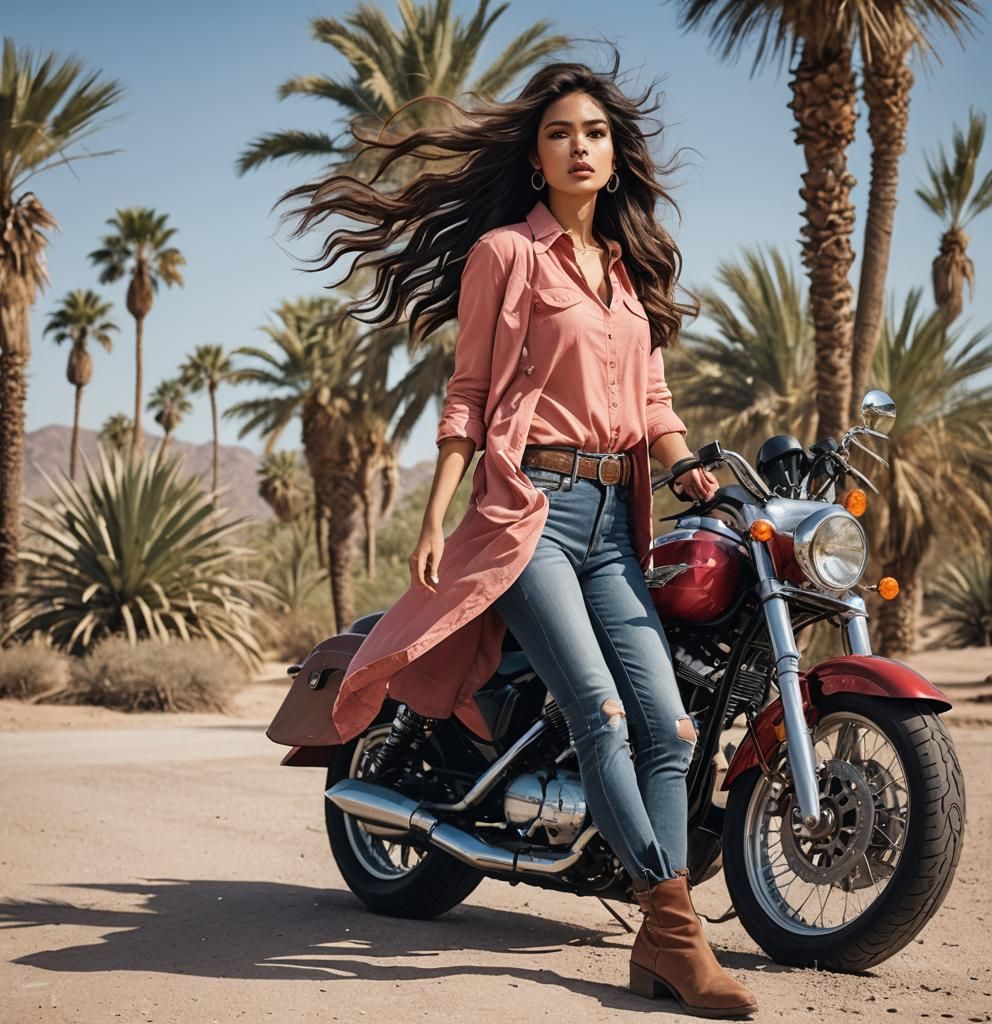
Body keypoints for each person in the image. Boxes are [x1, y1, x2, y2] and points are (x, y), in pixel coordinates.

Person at [276, 54, 757, 1019]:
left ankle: (660, 934)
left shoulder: (631, 276)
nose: (579, 147)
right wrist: (436, 511)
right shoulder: (506, 254)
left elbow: (653, 405)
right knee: (604, 712)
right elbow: (469, 395)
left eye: (595, 134)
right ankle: (671, 934)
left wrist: (687, 467)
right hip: (525, 513)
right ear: (536, 161)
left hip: (615, 522)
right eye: (559, 134)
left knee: (667, 724)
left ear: (614, 158)